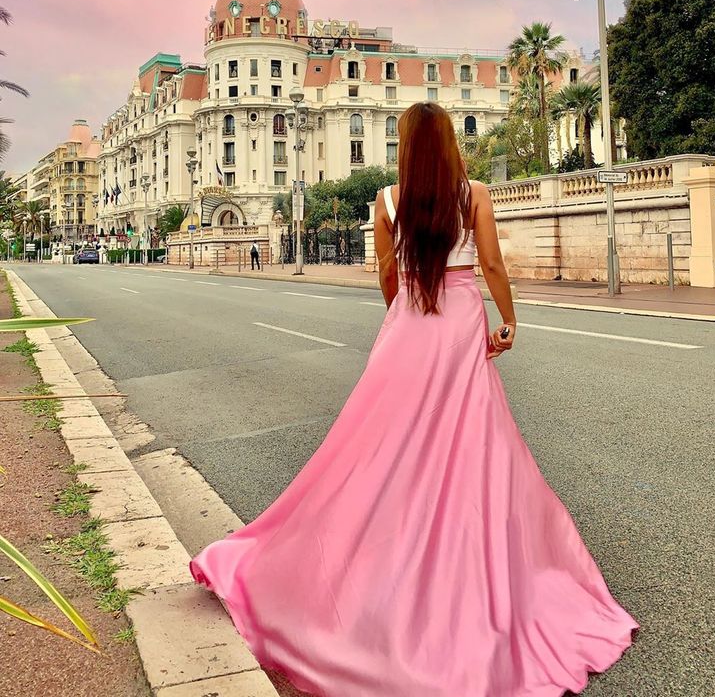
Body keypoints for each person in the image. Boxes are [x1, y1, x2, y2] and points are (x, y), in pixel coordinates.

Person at [190, 103, 637, 696]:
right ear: (450, 142)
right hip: (458, 320)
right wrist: (508, 321)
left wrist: (403, 321)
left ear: (403, 146)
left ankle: (349, 568)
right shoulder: (473, 193)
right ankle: (464, 562)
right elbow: (494, 264)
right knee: (470, 446)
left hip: (410, 322)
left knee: (378, 450)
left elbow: (385, 275)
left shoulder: (386, 200)